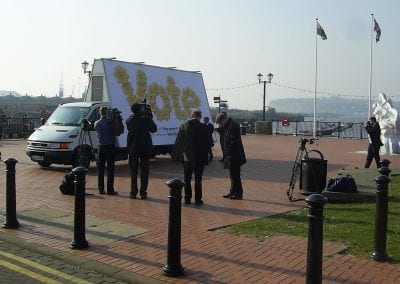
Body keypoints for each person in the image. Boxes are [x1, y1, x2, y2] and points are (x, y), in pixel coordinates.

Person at [172, 109, 209, 206]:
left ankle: (187, 199)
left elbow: (179, 141)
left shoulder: (184, 125)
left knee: (187, 179)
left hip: (187, 156)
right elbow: (208, 143)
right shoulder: (204, 127)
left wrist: (180, 154)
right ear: (200, 116)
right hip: (200, 157)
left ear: (192, 115)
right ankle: (198, 200)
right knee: (198, 179)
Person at [126, 103, 157, 199]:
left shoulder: (130, 120)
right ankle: (143, 192)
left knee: (134, 171)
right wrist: (149, 116)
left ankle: (133, 192)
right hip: (145, 148)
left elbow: (128, 124)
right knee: (144, 172)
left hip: (133, 148)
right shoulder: (146, 119)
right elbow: (154, 129)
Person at [216, 112, 246, 199]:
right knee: (232, 175)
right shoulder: (228, 125)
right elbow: (224, 135)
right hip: (231, 155)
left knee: (235, 175)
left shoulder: (233, 125)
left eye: (220, 123)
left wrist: (228, 150)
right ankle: (232, 191)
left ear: (224, 119)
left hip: (235, 155)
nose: (220, 124)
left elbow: (234, 140)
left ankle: (238, 193)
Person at [94, 106, 118, 195]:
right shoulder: (110, 123)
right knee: (110, 169)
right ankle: (110, 189)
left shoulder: (96, 123)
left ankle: (101, 189)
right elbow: (117, 132)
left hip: (101, 147)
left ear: (100, 113)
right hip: (110, 147)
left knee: (100, 170)